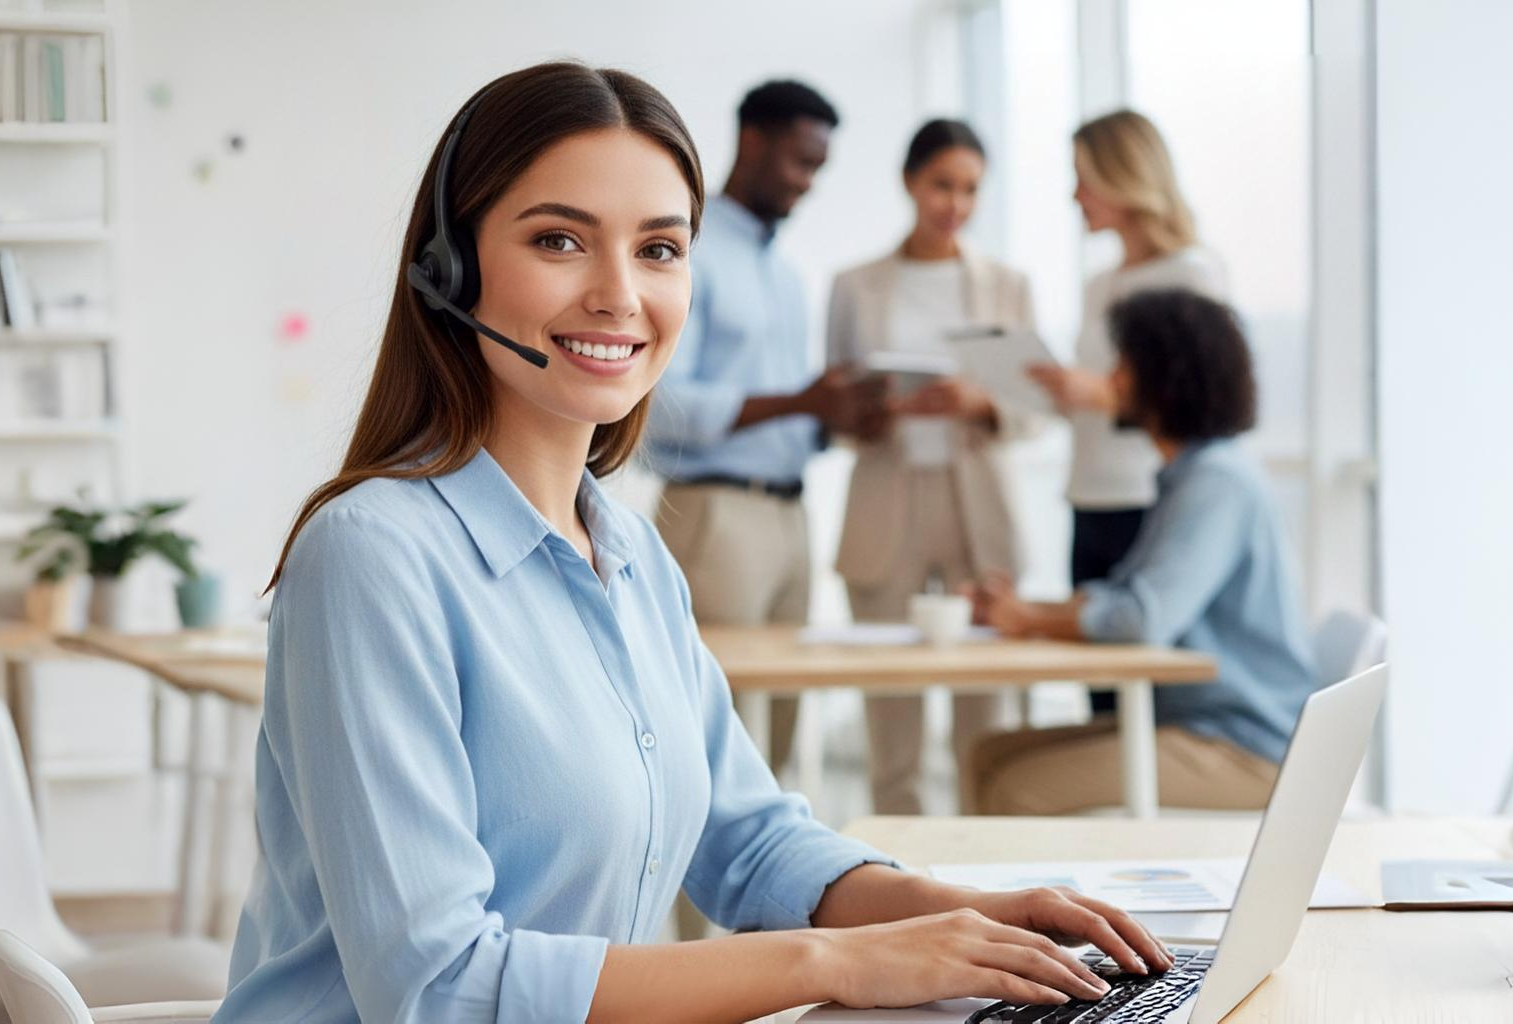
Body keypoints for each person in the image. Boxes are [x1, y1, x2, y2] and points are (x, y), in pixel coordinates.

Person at [218, 62, 1170, 1024]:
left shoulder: (629, 552)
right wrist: (833, 963)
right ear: (449, 268)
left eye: (660, 250)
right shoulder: (372, 558)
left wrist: (970, 917)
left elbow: (750, 842)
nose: (619, 295)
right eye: (560, 240)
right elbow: (437, 986)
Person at [967, 288, 1316, 815]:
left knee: (1018, 788)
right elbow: (1127, 597)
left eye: (1124, 365)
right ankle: (995, 902)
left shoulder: (1217, 483)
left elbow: (1141, 618)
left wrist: (1029, 617)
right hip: (1198, 724)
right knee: (987, 755)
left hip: (1245, 747)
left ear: (1164, 376)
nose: (1111, 380)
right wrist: (1024, 612)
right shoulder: (1190, 476)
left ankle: (1041, 902)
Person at [644, 80, 881, 773]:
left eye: (819, 169)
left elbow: (794, 408)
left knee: (770, 746)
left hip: (789, 517)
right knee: (705, 742)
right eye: (800, 162)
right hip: (713, 516)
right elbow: (659, 408)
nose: (809, 184)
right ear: (753, 141)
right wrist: (803, 403)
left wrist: (842, 417)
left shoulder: (785, 273)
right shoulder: (687, 251)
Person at [826, 119, 1033, 814]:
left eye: (971, 189)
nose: (956, 203)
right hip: (889, 496)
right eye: (943, 184)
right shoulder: (855, 286)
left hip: (977, 503)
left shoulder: (1006, 285)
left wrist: (978, 401)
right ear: (911, 181)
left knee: (988, 720)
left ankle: (996, 889)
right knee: (893, 721)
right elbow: (836, 407)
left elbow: (1032, 409)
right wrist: (876, 410)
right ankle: (902, 895)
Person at [1027, 110, 1229, 718]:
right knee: (1100, 691)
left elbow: (1202, 397)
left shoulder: (1193, 273)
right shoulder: (1099, 285)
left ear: (1123, 177)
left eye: (1084, 178)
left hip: (1148, 499)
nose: (1074, 195)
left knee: (1151, 685)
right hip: (1088, 498)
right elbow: (1093, 396)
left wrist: (1103, 394)